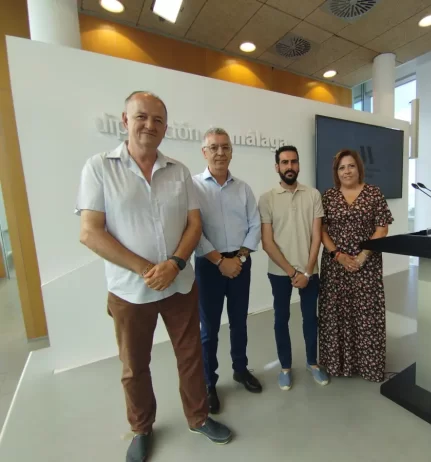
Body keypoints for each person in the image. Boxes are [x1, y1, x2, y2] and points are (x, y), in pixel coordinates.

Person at [76, 91, 232, 462]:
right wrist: (146, 269)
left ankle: (198, 417)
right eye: (141, 117)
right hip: (130, 291)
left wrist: (175, 263)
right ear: (125, 121)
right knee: (134, 366)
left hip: (180, 284)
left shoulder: (178, 170)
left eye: (158, 120)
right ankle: (142, 428)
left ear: (165, 128)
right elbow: (90, 233)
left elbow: (194, 224)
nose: (150, 125)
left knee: (191, 356)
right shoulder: (99, 168)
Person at [193, 127, 262, 414]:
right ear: (204, 152)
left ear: (232, 152)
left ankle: (240, 369)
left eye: (225, 147)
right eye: (214, 147)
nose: (220, 152)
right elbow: (193, 231)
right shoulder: (193, 187)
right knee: (209, 329)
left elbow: (255, 224)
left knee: (239, 322)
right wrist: (221, 261)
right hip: (209, 266)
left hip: (241, 264)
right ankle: (209, 383)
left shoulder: (243, 188)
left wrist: (240, 257)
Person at [258, 145, 330, 391]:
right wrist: (293, 272)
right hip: (280, 272)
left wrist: (307, 272)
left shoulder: (313, 195)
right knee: (281, 319)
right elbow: (267, 243)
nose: (290, 166)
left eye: (294, 162)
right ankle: (285, 368)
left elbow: (317, 237)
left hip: (310, 271)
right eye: (285, 162)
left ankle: (312, 362)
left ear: (299, 165)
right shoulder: (267, 198)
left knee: (310, 318)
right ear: (277, 167)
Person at [319, 149, 393, 382]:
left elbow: (382, 228)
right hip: (335, 266)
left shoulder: (373, 193)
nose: (347, 171)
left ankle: (368, 366)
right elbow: (321, 231)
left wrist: (362, 256)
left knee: (366, 315)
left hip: (367, 265)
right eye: (342, 167)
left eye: (351, 166)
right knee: (336, 314)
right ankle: (338, 364)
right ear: (336, 172)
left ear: (359, 168)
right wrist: (338, 255)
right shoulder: (328, 196)